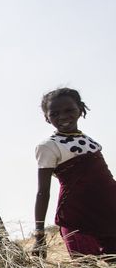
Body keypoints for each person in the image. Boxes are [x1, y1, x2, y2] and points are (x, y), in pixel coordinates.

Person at [34, 87, 116, 258]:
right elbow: (43, 192)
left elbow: (106, 180)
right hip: (77, 217)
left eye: (69, 110)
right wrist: (39, 235)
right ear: (46, 118)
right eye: (54, 113)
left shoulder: (89, 141)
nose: (62, 116)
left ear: (80, 109)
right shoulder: (48, 146)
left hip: (109, 213)